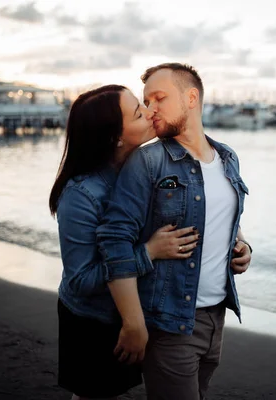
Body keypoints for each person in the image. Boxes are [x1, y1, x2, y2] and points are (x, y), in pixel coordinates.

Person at [96, 63, 252, 400]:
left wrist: (242, 246)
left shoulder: (227, 157)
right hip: (169, 321)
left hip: (216, 317)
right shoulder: (148, 161)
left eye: (159, 98)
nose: (151, 110)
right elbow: (114, 240)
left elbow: (227, 217)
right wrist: (134, 322)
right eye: (146, 101)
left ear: (191, 97)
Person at [49, 84, 199, 400]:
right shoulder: (81, 196)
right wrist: (148, 253)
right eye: (138, 112)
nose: (151, 112)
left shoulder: (147, 168)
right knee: (94, 393)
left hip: (135, 310)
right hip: (93, 320)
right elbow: (79, 280)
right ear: (115, 137)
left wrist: (239, 244)